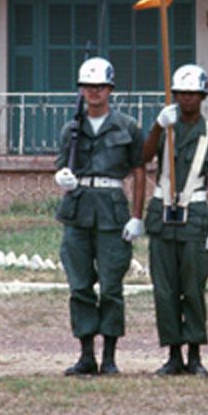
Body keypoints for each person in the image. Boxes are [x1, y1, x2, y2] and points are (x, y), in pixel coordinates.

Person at [55, 57, 145, 375]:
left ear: (110, 89)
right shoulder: (71, 129)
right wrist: (62, 177)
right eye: (88, 87)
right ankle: (85, 354)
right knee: (79, 285)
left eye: (100, 87)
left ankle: (109, 356)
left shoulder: (127, 126)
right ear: (81, 90)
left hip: (111, 209)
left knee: (110, 287)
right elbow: (61, 164)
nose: (94, 92)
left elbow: (138, 170)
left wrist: (137, 215)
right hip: (78, 209)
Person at [140, 64, 208, 377]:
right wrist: (156, 126)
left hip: (195, 217)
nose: (186, 99)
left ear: (203, 96)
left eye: (192, 94)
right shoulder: (166, 129)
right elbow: (144, 157)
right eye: (181, 94)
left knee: (192, 287)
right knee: (164, 289)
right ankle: (173, 353)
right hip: (163, 215)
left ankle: (194, 353)